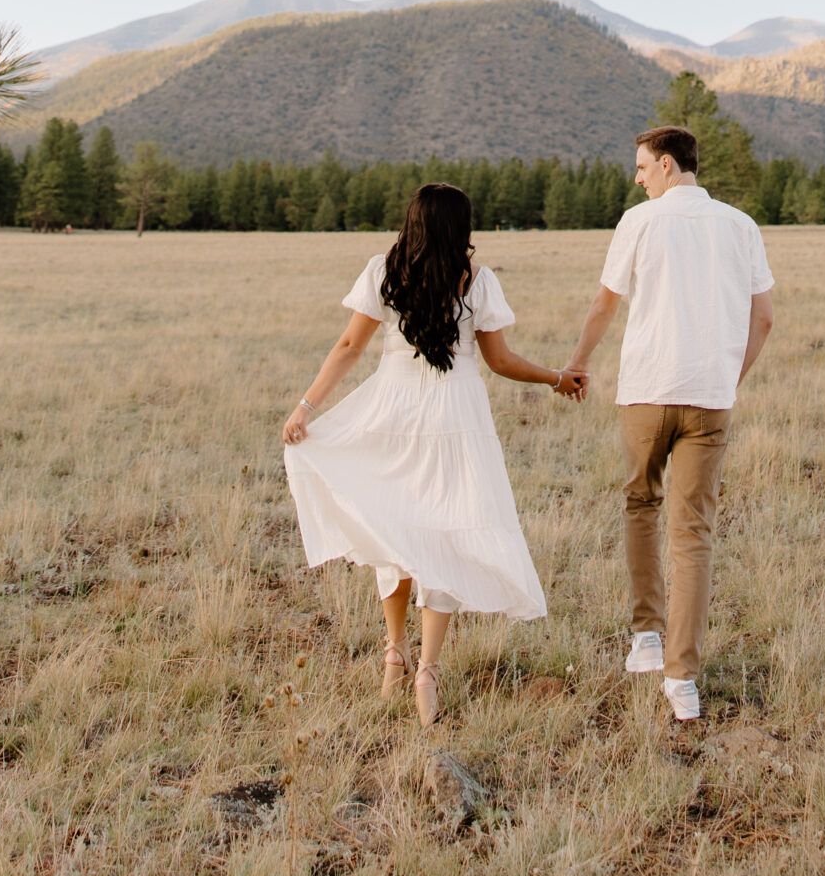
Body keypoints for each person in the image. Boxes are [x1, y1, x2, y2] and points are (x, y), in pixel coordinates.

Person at [282, 181, 582, 726]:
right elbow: (502, 361)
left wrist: (307, 406)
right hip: (454, 415)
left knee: (395, 527)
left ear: (412, 222)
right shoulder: (478, 280)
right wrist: (556, 378)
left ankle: (394, 650)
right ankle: (427, 669)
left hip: (391, 411)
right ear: (460, 227)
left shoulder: (383, 271)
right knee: (441, 534)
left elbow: (349, 347)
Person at [564, 124, 774, 722]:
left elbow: (606, 303)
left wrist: (577, 364)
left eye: (640, 167)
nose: (636, 178)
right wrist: (729, 379)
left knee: (640, 504)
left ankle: (646, 636)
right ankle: (683, 681)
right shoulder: (740, 225)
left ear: (666, 165)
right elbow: (764, 320)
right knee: (694, 534)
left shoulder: (640, 221)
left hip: (648, 391)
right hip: (710, 397)